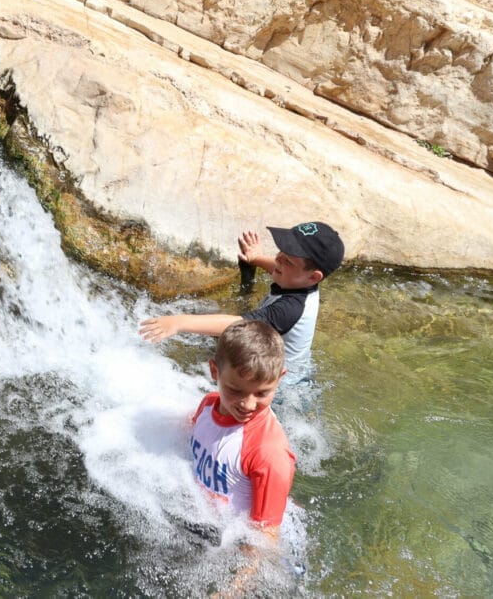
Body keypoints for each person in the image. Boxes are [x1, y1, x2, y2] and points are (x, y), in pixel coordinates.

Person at [139, 221, 344, 368]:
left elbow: (239, 324)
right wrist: (256, 258)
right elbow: (278, 267)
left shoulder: (290, 310)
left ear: (313, 277)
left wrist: (179, 323)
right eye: (280, 251)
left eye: (287, 261)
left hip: (279, 385)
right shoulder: (298, 279)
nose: (278, 259)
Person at [191, 319, 295, 538]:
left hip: (244, 539)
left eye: (261, 393)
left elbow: (265, 537)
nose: (248, 404)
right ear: (214, 371)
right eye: (235, 390)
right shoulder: (208, 405)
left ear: (279, 378)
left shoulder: (268, 453)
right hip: (208, 520)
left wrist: (244, 573)